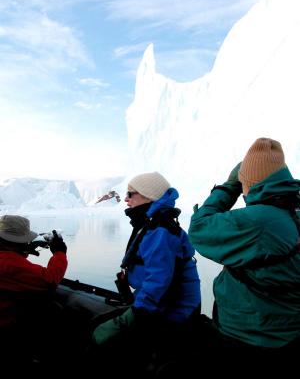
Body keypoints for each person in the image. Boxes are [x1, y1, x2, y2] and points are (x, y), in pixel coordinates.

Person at [188, 138, 300, 370]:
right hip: (288, 331)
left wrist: (228, 187)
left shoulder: (260, 221)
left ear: (248, 183)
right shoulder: (292, 210)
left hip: (252, 338)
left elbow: (199, 230)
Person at [91, 172, 201, 376]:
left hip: (174, 313)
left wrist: (131, 317)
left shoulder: (161, 232)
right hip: (162, 305)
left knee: (101, 337)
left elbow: (159, 283)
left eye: (131, 194)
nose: (126, 199)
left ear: (149, 197)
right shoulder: (153, 224)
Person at [0, 215, 68, 366]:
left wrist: (22, 252)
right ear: (16, 242)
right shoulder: (11, 264)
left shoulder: (7, 258)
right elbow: (50, 279)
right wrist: (59, 252)